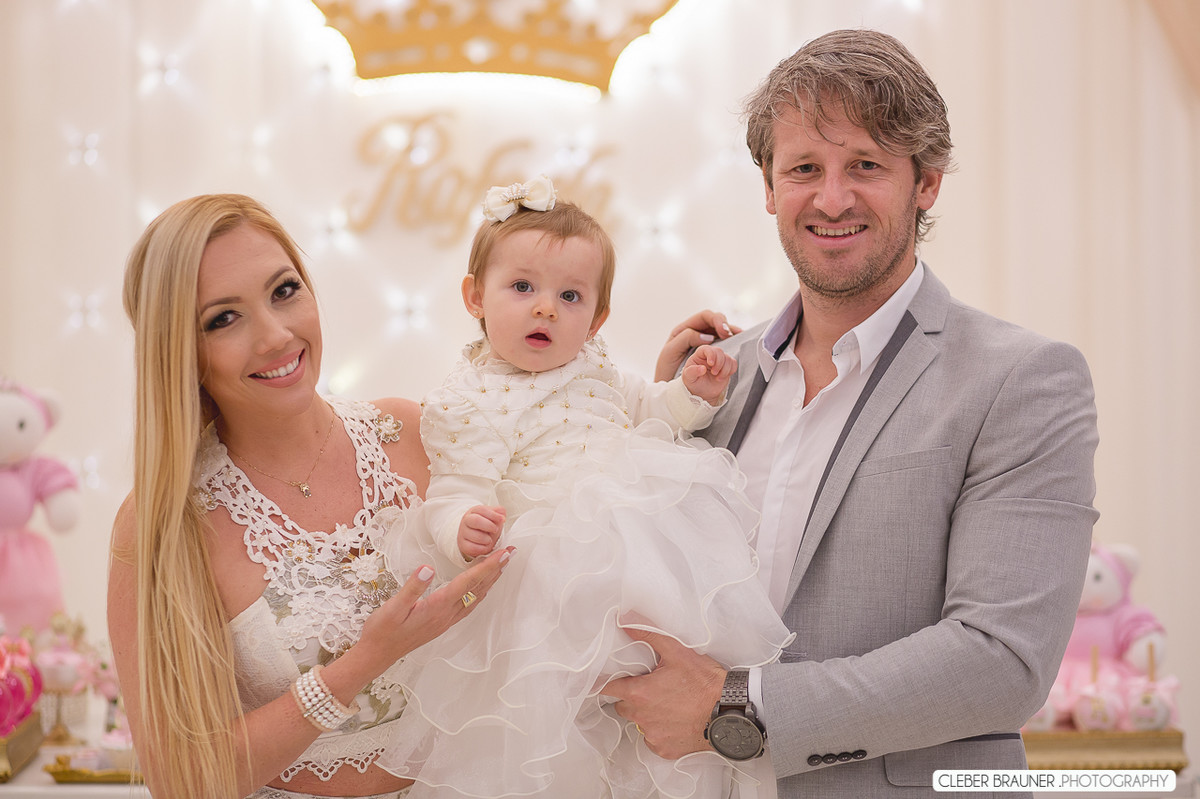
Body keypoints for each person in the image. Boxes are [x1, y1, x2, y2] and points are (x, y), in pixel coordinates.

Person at [606, 29, 1100, 798]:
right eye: (804, 168)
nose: (831, 198)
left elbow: (1003, 658)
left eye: (865, 165)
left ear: (926, 182)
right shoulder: (710, 378)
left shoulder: (1023, 379)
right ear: (769, 187)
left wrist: (736, 707)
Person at [369, 178, 794, 798]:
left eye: (570, 296)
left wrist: (691, 394)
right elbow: (454, 487)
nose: (545, 308)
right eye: (522, 288)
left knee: (672, 664)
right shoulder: (470, 400)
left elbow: (654, 412)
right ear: (474, 297)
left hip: (636, 544)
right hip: (553, 565)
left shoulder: (593, 365)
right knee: (566, 718)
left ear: (596, 319)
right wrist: (460, 526)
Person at [106, 193, 515, 799]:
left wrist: (668, 411)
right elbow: (182, 780)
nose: (276, 336)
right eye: (223, 318)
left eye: (284, 291)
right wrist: (361, 664)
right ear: (181, 354)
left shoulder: (412, 435)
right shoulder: (166, 520)